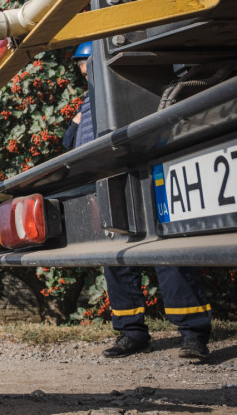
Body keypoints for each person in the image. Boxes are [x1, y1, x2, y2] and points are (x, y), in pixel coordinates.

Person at [62, 41, 212, 360]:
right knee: (116, 257)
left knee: (167, 251)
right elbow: (69, 144)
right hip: (107, 182)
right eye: (80, 65)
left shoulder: (134, 88)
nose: (83, 70)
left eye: (85, 63)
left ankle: (193, 334)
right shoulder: (87, 104)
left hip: (147, 174)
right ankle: (131, 332)